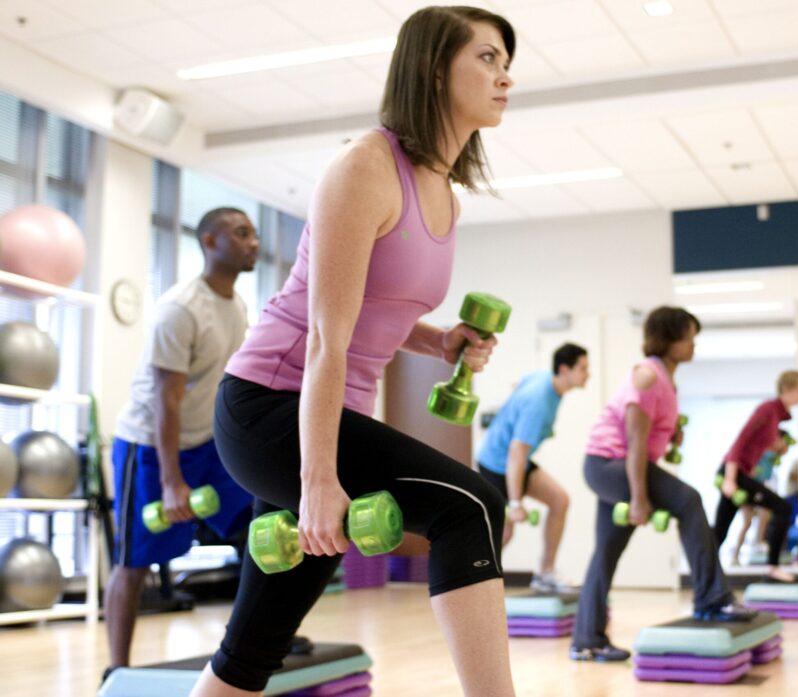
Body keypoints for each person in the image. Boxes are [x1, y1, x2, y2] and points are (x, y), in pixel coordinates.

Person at [188, 7, 518, 697]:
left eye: (506, 61)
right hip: (271, 409)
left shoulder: (443, 193)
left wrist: (440, 339)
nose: (505, 77)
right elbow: (325, 336)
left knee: (251, 651)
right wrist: (317, 479)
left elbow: (380, 310)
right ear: (433, 69)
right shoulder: (366, 166)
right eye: (487, 57)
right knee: (471, 505)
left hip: (324, 417)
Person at [104, 208, 260, 679]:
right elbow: (166, 401)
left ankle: (260, 639)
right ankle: (116, 670)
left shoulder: (237, 306)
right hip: (149, 446)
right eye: (241, 233)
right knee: (133, 562)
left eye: (254, 234)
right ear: (209, 241)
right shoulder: (181, 309)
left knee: (257, 527)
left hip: (207, 442)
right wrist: (172, 482)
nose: (253, 242)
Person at [570, 307, 755, 663]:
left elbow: (649, 437)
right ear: (669, 339)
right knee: (689, 500)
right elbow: (635, 442)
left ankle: (586, 640)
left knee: (606, 551)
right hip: (611, 464)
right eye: (688, 337)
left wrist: (671, 438)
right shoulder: (647, 376)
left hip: (611, 466)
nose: (693, 344)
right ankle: (713, 599)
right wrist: (640, 498)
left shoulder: (666, 379)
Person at [477, 343, 589, 593]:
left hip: (515, 460)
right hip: (497, 463)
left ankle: (545, 574)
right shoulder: (539, 402)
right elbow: (516, 452)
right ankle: (471, 581)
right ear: (564, 369)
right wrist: (516, 503)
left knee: (559, 500)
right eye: (583, 368)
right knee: (506, 530)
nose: (587, 374)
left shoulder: (545, 379)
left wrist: (510, 414)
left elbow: (517, 383)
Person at [712, 371, 798, 582]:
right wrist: (730, 479)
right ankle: (772, 567)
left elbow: (758, 444)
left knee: (720, 531)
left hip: (742, 473)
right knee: (783, 508)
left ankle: (707, 575)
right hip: (733, 473)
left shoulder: (776, 416)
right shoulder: (767, 409)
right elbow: (739, 442)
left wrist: (775, 448)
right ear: (787, 389)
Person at [731, 429, 795, 566]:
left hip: (758, 488)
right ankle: (737, 555)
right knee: (747, 522)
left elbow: (783, 452)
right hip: (749, 489)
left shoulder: (773, 455)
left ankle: (758, 542)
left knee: (763, 514)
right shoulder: (764, 451)